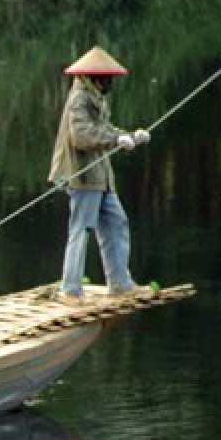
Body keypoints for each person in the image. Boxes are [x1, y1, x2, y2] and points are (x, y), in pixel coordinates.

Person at [48, 46, 152, 306]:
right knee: (81, 230)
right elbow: (81, 136)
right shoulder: (79, 99)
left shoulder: (95, 98)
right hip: (82, 175)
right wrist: (116, 139)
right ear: (93, 77)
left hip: (101, 176)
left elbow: (103, 130)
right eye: (106, 79)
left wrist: (129, 136)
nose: (109, 83)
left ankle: (120, 284)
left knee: (117, 223)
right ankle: (70, 290)